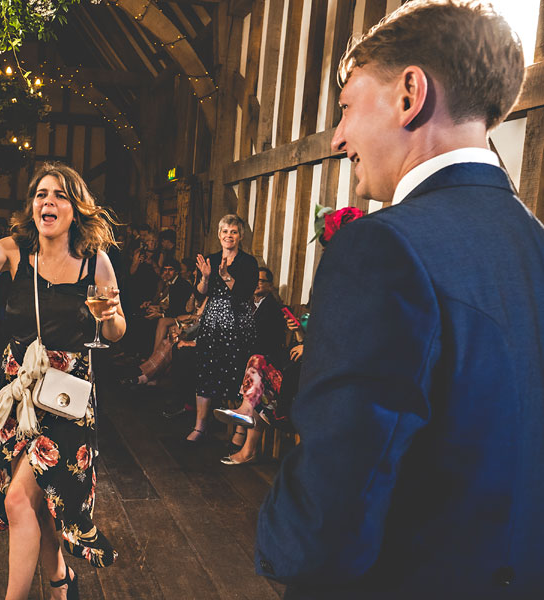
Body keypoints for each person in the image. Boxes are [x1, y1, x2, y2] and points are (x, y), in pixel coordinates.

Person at [256, 2, 542, 596]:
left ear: (410, 93)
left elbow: (332, 510)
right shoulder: (534, 241)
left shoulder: (382, 248)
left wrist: (281, 550)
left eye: (346, 108)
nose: (338, 139)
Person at [0, 163, 125, 600]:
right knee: (38, 506)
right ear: (33, 206)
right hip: (20, 395)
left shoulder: (96, 262)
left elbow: (118, 333)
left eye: (60, 195)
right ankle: (61, 584)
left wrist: (110, 316)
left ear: (76, 208)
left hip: (66, 399)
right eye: (42, 194)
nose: (49, 202)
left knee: (19, 499)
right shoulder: (15, 251)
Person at [186, 213, 259, 442]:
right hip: (213, 322)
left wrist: (226, 275)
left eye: (234, 232)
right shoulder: (211, 258)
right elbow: (200, 293)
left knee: (237, 373)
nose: (229, 236)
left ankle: (239, 429)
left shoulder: (248, 262)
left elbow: (245, 294)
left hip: (238, 322)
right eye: (225, 231)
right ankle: (200, 426)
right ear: (219, 235)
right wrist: (206, 278)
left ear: (241, 236)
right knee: (206, 370)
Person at [215, 267, 288, 464]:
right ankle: (238, 424)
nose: (258, 284)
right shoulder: (247, 304)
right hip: (250, 360)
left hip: (268, 359)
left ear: (270, 286)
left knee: (251, 365)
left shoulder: (272, 308)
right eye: (256, 280)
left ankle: (240, 427)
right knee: (226, 361)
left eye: (263, 281)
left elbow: (269, 341)